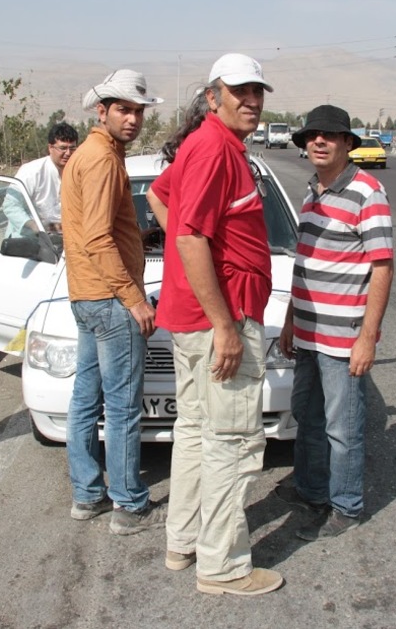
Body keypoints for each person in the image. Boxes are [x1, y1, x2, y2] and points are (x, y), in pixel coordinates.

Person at [147, 54, 283, 596]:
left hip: (196, 318)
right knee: (232, 440)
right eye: (239, 92)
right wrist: (225, 324)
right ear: (212, 97)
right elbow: (187, 236)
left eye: (258, 92)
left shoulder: (212, 145)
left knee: (197, 432)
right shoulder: (212, 149)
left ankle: (183, 542)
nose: (251, 101)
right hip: (217, 323)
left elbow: (161, 198)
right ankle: (222, 566)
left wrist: (188, 267)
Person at [276, 104, 395, 540]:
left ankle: (346, 505)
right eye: (311, 136)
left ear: (348, 143)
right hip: (307, 334)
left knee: (342, 429)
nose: (319, 142)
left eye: (329, 135)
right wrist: (290, 320)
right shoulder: (311, 195)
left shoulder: (367, 192)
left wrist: (368, 337)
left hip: (343, 338)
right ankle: (311, 490)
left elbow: (382, 267)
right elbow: (304, 265)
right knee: (307, 418)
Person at [60, 69, 166, 536]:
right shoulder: (102, 159)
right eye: (124, 108)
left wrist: (140, 237)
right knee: (122, 405)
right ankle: (128, 502)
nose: (133, 118)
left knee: (86, 397)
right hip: (110, 299)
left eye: (139, 110)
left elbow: (96, 230)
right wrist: (134, 301)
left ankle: (87, 494)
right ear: (101, 111)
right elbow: (99, 237)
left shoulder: (89, 155)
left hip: (86, 295)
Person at [2, 122, 78, 234]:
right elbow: (11, 205)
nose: (68, 153)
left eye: (72, 148)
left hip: (63, 238)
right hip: (29, 241)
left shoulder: (78, 172)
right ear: (50, 148)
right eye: (63, 148)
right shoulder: (32, 171)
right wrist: (33, 226)